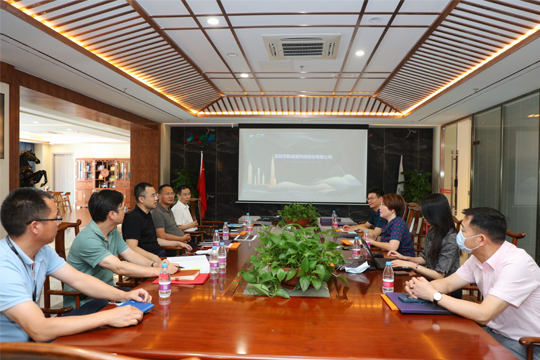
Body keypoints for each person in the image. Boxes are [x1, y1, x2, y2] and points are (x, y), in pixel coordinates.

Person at [0, 188, 150, 343]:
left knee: (100, 304)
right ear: (35, 227)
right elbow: (40, 330)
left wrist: (124, 296)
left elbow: (79, 279)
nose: (59, 222)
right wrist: (109, 317)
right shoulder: (3, 266)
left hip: (32, 335)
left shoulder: (42, 251)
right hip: (14, 349)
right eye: (55, 218)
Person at [405, 207, 540, 360]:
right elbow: (448, 284)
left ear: (481, 239)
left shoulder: (516, 264)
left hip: (527, 345)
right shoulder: (477, 257)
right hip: (494, 334)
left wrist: (434, 295)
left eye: (463, 231)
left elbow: (484, 314)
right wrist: (419, 286)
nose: (459, 235)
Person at [64, 190, 179, 308]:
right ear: (112, 214)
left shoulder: (112, 231)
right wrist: (160, 272)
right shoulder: (87, 239)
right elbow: (119, 267)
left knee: (151, 300)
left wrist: (155, 265)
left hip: (108, 292)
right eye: (122, 208)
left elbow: (130, 254)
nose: (125, 211)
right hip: (85, 299)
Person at [388, 194, 462, 298]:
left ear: (435, 215)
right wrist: (405, 258)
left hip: (447, 292)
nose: (423, 218)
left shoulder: (451, 238)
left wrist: (412, 265)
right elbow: (425, 258)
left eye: (426, 214)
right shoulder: (433, 230)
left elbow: (439, 275)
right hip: (431, 285)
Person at [122, 182, 188, 262]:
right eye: (153, 196)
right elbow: (132, 247)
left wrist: (177, 243)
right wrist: (154, 258)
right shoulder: (134, 218)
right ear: (141, 199)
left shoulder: (147, 214)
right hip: (148, 261)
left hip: (159, 255)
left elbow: (154, 240)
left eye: (155, 195)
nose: (156, 198)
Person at [152, 184, 193, 250]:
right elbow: (161, 236)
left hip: (182, 243)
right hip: (173, 247)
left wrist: (185, 237)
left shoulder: (169, 210)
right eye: (167, 194)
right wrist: (182, 238)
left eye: (172, 194)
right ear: (159, 196)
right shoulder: (157, 212)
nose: (170, 196)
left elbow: (174, 228)